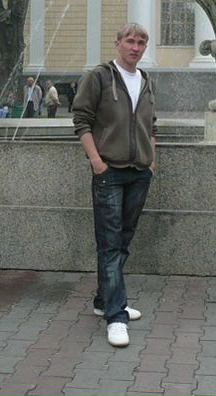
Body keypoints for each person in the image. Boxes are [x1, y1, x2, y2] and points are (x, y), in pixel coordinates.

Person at [73, 23, 156, 348]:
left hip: (139, 172)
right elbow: (81, 120)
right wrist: (97, 161)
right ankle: (116, 316)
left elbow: (151, 125)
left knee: (122, 241)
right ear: (118, 43)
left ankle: (104, 300)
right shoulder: (99, 77)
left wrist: (151, 161)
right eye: (130, 41)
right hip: (109, 172)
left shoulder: (146, 81)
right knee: (109, 243)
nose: (135, 47)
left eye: (141, 43)